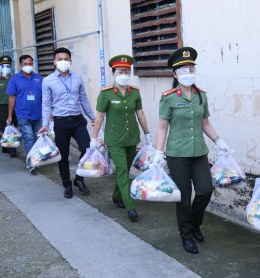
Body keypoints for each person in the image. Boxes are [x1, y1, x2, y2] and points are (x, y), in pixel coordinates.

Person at [154, 47, 229, 254]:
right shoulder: (168, 97)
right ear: (175, 74)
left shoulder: (201, 96)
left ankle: (195, 223)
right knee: (183, 196)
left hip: (199, 152)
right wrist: (159, 153)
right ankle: (186, 235)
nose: (188, 72)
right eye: (183, 69)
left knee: (205, 190)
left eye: (191, 68)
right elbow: (162, 127)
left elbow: (205, 122)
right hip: (177, 154)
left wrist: (218, 141)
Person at [91, 54, 151, 220]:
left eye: (127, 71)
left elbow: (140, 113)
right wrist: (94, 138)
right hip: (114, 139)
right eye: (120, 71)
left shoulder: (135, 93)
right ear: (114, 73)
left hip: (132, 137)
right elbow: (100, 117)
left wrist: (147, 134)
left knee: (125, 169)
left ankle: (117, 195)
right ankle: (130, 207)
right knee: (123, 170)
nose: (124, 74)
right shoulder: (106, 93)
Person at [38, 47, 96, 198]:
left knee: (87, 149)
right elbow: (46, 104)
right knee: (63, 155)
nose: (63, 62)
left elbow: (83, 99)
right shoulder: (48, 81)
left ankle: (79, 178)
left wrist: (92, 117)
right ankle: (67, 184)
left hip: (78, 121)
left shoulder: (77, 78)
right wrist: (45, 124)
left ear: (70, 61)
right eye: (59, 59)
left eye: (66, 59)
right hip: (60, 122)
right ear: (54, 62)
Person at [6, 54, 43, 172]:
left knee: (37, 138)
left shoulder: (39, 78)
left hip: (38, 114)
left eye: (30, 64)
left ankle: (36, 158)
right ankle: (32, 162)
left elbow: (45, 97)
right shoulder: (15, 79)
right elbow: (12, 98)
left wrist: (49, 113)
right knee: (29, 138)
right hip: (22, 114)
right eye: (25, 64)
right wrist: (10, 116)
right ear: (20, 65)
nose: (28, 66)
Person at [0, 56, 18, 156]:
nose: (6, 68)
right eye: (3, 66)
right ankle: (12, 149)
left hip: (15, 107)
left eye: (8, 65)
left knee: (14, 125)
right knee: (5, 126)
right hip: (2, 107)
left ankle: (6, 146)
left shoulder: (15, 79)